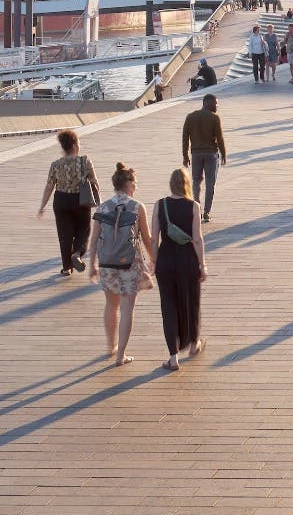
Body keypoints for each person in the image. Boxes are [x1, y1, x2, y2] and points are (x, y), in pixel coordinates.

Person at [88, 163, 156, 367]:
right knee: (127, 308)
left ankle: (111, 346)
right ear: (128, 184)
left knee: (111, 305)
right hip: (130, 264)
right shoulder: (137, 207)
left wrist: (92, 264)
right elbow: (147, 238)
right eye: (135, 183)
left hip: (107, 263)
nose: (136, 187)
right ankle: (121, 355)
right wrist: (154, 259)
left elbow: (94, 239)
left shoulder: (103, 207)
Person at [153, 167, 206, 372]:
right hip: (187, 261)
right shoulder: (193, 206)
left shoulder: (160, 205)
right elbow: (197, 238)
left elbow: (153, 238)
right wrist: (203, 264)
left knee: (168, 307)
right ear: (186, 184)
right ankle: (194, 344)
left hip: (165, 260)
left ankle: (173, 357)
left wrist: (154, 263)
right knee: (192, 301)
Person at [37, 129, 102, 276]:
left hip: (61, 200)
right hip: (80, 200)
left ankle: (67, 267)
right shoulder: (84, 161)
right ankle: (77, 253)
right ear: (74, 145)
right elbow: (94, 182)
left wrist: (42, 206)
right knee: (83, 229)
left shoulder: (56, 164)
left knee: (64, 234)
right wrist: (97, 196)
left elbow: (49, 186)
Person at [181, 92, 227, 223]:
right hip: (211, 154)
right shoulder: (214, 118)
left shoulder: (190, 117)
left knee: (196, 182)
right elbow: (220, 138)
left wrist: (185, 155)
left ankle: (197, 210)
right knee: (210, 183)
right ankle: (206, 212)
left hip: (195, 154)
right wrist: (223, 154)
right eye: (216, 103)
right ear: (208, 103)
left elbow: (185, 138)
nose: (217, 106)